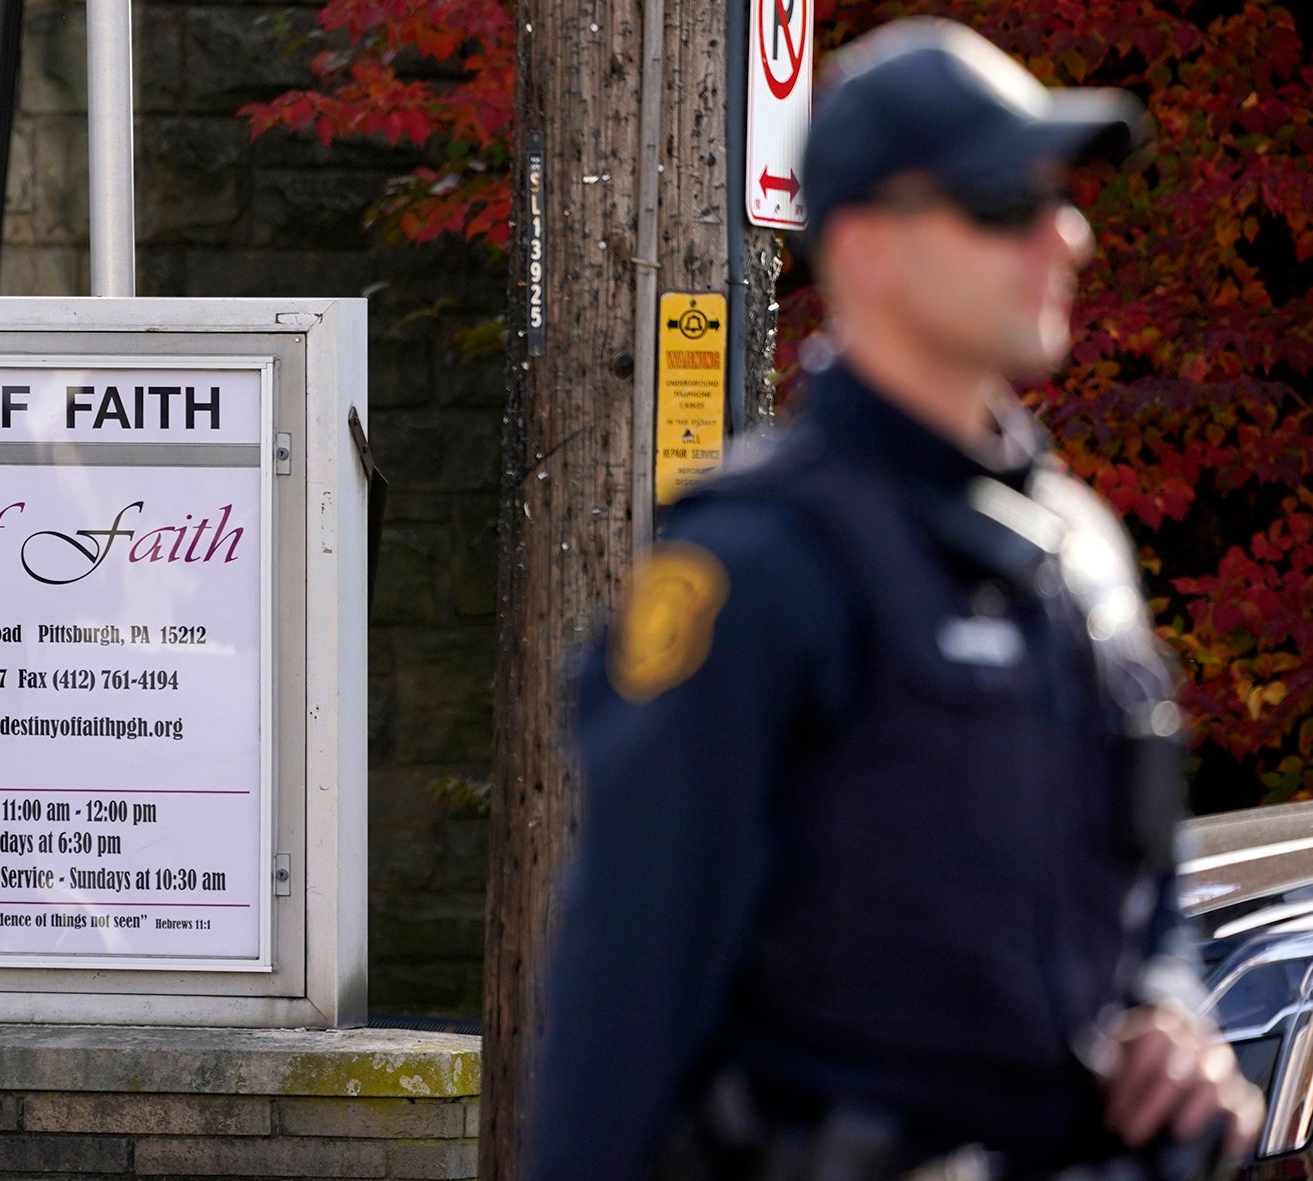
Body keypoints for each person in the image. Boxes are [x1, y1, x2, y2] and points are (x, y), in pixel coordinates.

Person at [530, 18, 1265, 1181]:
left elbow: (1146, 898)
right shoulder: (756, 568)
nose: (1063, 235)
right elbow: (620, 1011)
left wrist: (1171, 1017)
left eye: (1058, 199)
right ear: (867, 248)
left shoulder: (1081, 552)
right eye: (1000, 204)